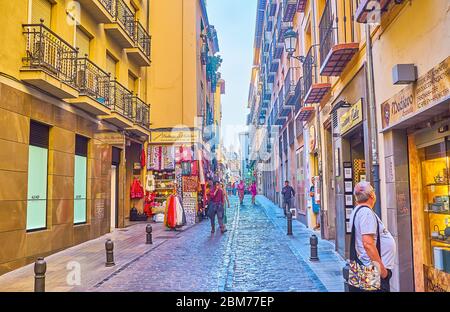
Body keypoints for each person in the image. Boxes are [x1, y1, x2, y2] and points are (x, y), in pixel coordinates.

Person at [348, 181, 396, 292]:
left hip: (366, 269)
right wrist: (382, 271)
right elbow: (368, 244)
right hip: (372, 271)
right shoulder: (366, 213)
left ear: (356, 198)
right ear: (372, 196)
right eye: (373, 190)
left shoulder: (357, 211)